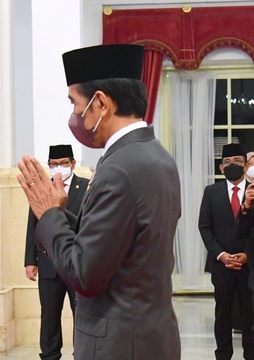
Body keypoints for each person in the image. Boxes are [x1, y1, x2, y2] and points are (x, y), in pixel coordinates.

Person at [17, 44, 181, 360]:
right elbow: (118, 242)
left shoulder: (119, 168)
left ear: (101, 103)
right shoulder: (155, 155)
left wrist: (49, 215)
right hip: (149, 334)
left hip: (120, 342)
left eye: (75, 104)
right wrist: (62, 213)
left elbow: (85, 274)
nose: (74, 116)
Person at [23, 144, 87, 360]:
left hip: (76, 261)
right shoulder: (43, 190)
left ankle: (82, 352)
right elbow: (33, 225)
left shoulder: (85, 187)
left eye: (63, 163)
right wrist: (30, 260)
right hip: (49, 264)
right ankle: (50, 355)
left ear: (73, 163)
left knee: (81, 313)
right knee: (49, 314)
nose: (59, 167)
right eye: (53, 164)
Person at [199, 143, 254, 360]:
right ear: (221, 168)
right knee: (222, 314)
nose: (233, 166)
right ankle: (223, 355)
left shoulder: (252, 191)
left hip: (248, 265)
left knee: (250, 314)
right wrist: (221, 255)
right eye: (228, 163)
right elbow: (204, 227)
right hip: (221, 265)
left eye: (238, 162)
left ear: (246, 166)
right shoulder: (211, 192)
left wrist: (247, 254)